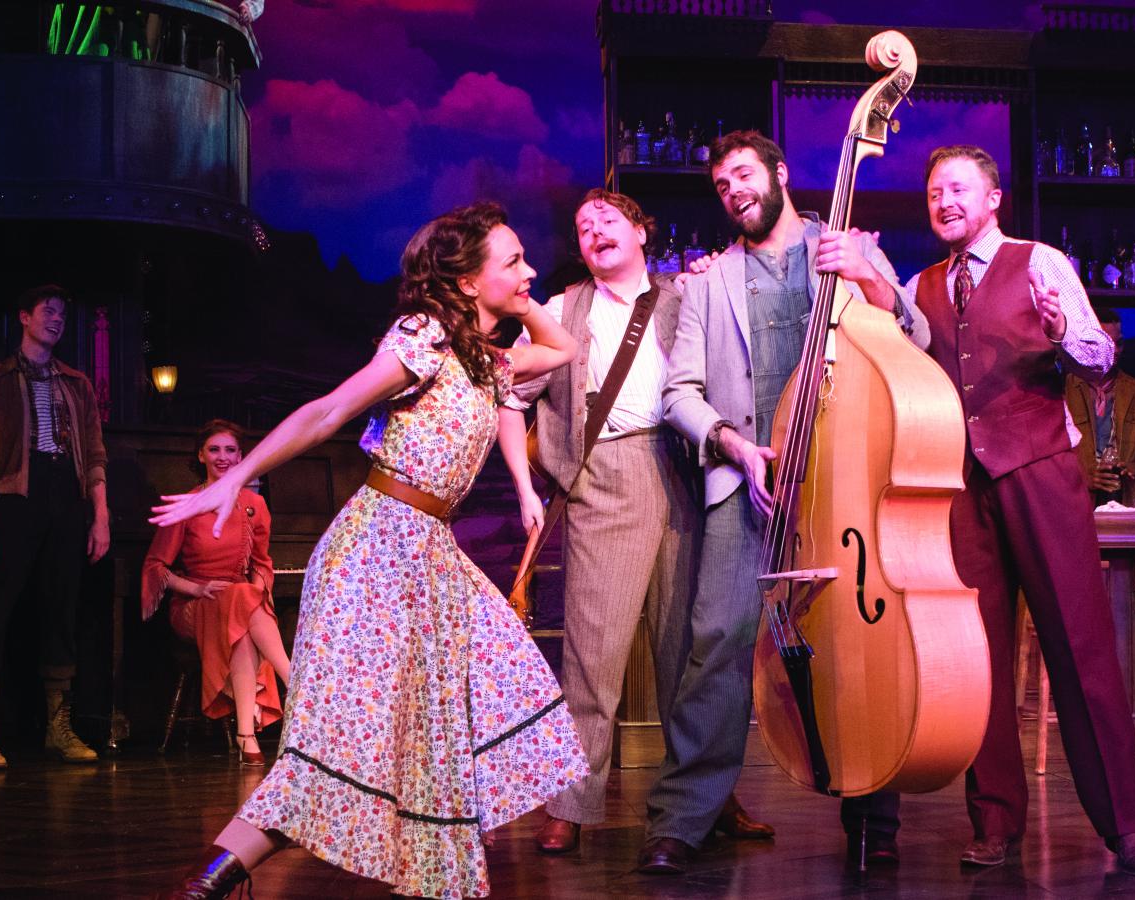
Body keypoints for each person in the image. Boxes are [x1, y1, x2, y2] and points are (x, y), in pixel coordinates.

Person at [153, 202, 587, 900]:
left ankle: (431, 875)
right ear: (467, 282)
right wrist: (234, 476)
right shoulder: (426, 338)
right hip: (381, 545)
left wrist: (524, 296)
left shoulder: (488, 360)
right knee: (343, 741)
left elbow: (562, 347)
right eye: (512, 261)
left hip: (430, 554)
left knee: (449, 724)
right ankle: (207, 880)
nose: (529, 269)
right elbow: (329, 410)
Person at [656, 130, 926, 875]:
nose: (733, 190)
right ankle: (684, 819)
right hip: (747, 487)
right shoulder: (705, 283)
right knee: (716, 646)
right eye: (720, 185)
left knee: (862, 646)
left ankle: (874, 819)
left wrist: (869, 278)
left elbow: (913, 336)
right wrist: (734, 448)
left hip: (843, 479)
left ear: (779, 173)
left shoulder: (849, 244)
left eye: (743, 174)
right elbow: (679, 394)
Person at [908, 144, 1135, 875]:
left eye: (957, 188)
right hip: (962, 485)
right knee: (975, 661)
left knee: (1079, 647)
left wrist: (1059, 332)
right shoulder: (919, 286)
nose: (944, 200)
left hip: (1039, 469)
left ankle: (1125, 825)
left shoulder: (1037, 260)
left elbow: (1097, 359)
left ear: (992, 199)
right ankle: (994, 823)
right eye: (932, 192)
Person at [501, 189, 771, 857]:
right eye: (583, 228)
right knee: (594, 654)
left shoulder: (685, 294)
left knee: (692, 650)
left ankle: (706, 794)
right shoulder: (564, 309)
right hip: (607, 475)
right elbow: (509, 395)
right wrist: (523, 488)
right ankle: (572, 800)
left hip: (684, 470)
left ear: (642, 232)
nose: (594, 232)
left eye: (608, 220)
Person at [0, 283, 109, 769]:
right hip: (13, 500)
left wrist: (99, 516)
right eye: (48, 311)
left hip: (65, 499)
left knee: (61, 610)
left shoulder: (77, 383)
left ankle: (58, 726)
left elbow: (95, 457)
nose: (57, 319)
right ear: (24, 316)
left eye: (63, 314)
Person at [142, 420, 291, 765]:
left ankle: (246, 736)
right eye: (214, 449)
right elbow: (156, 567)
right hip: (196, 604)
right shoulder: (189, 503)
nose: (222, 457)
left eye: (230, 450)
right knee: (241, 603)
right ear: (201, 455)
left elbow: (262, 565)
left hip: (238, 605)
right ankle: (293, 678)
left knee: (241, 616)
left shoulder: (255, 504)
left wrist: (255, 590)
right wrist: (197, 587)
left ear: (241, 456)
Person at [1065, 309, 1135, 507]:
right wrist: (1085, 476)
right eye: (1108, 343)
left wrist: (1133, 467)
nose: (1115, 350)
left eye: (1119, 343)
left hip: (1124, 497)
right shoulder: (1064, 390)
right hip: (1075, 499)